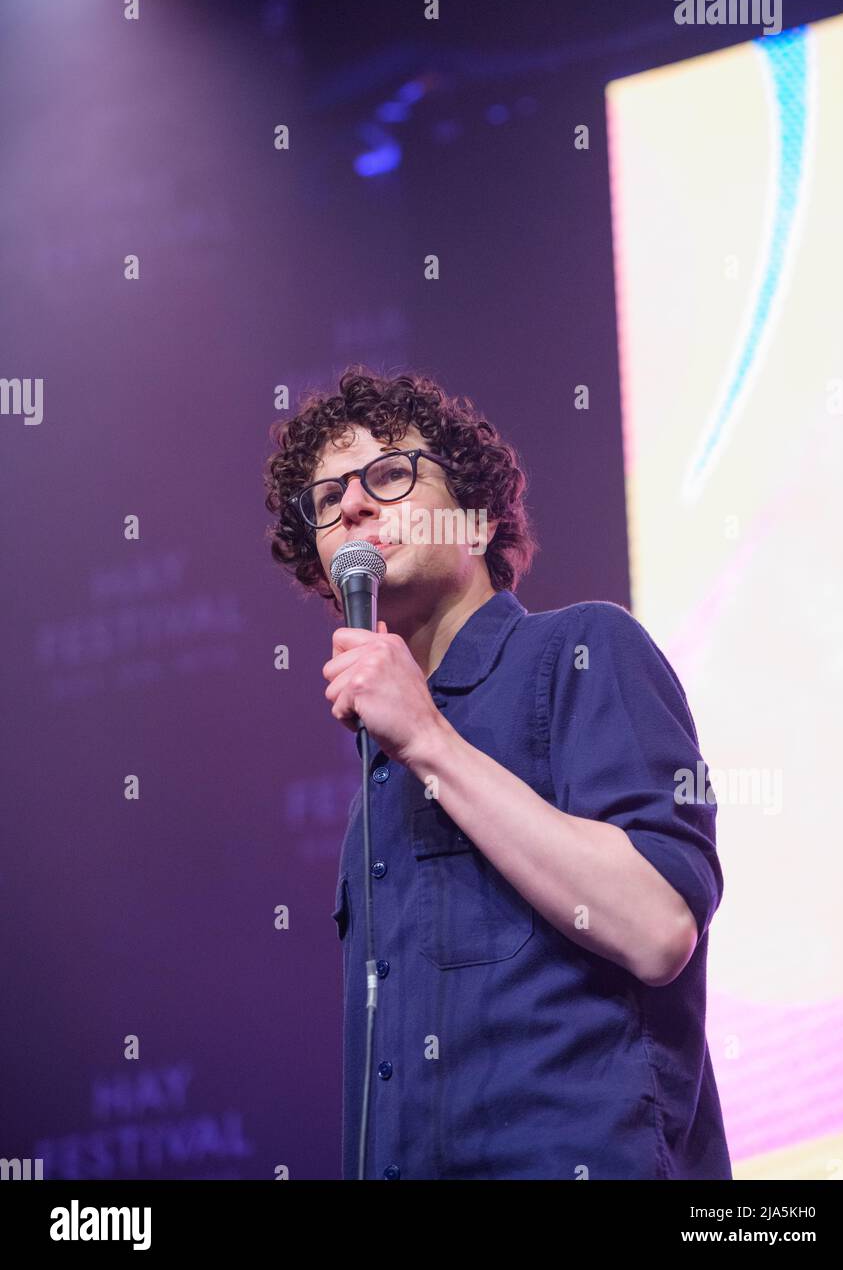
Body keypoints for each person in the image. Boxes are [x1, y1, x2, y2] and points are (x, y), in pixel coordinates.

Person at [263, 364, 732, 1180]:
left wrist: (429, 740)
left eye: (388, 474)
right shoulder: (382, 781)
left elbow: (658, 928)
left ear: (475, 524)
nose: (352, 505)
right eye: (327, 498)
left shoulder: (582, 650)